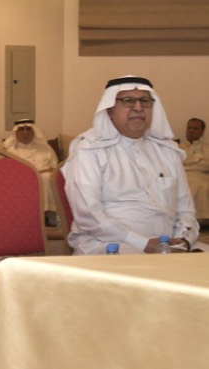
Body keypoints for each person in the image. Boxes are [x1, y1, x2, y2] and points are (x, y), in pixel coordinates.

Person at [63, 76, 198, 254]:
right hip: (108, 245)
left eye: (145, 101)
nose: (138, 108)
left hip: (167, 247)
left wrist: (183, 241)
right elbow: (89, 216)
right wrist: (144, 244)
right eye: (128, 101)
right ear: (109, 110)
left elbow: (186, 210)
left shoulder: (168, 151)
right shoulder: (89, 150)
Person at [3, 119, 61, 226]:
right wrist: (39, 173)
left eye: (28, 129)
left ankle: (51, 216)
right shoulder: (10, 151)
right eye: (21, 129)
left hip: (46, 179)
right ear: (16, 133)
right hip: (21, 181)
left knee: (48, 177)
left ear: (34, 131)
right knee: (44, 177)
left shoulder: (45, 149)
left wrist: (47, 172)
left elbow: (55, 167)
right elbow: (9, 172)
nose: (25, 132)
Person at [179, 117, 209, 220]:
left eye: (195, 128)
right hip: (183, 176)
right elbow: (176, 164)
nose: (191, 131)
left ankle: (203, 219)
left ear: (202, 132)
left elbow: (206, 165)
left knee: (204, 187)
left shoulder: (207, 148)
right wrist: (198, 158)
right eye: (189, 128)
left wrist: (188, 161)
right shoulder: (178, 148)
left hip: (202, 177)